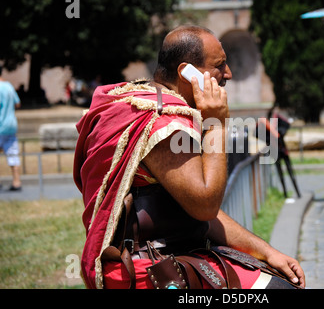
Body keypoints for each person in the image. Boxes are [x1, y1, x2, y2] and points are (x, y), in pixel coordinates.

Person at [74, 25, 305, 289]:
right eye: (220, 65)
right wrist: (216, 124)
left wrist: (268, 252)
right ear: (188, 73)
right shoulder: (163, 123)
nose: (227, 74)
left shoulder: (135, 102)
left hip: (166, 258)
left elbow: (199, 210)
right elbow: (205, 206)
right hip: (149, 270)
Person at [0, 65, 22, 191]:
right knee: (13, 153)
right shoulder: (9, 86)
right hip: (11, 125)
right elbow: (17, 103)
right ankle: (16, 181)